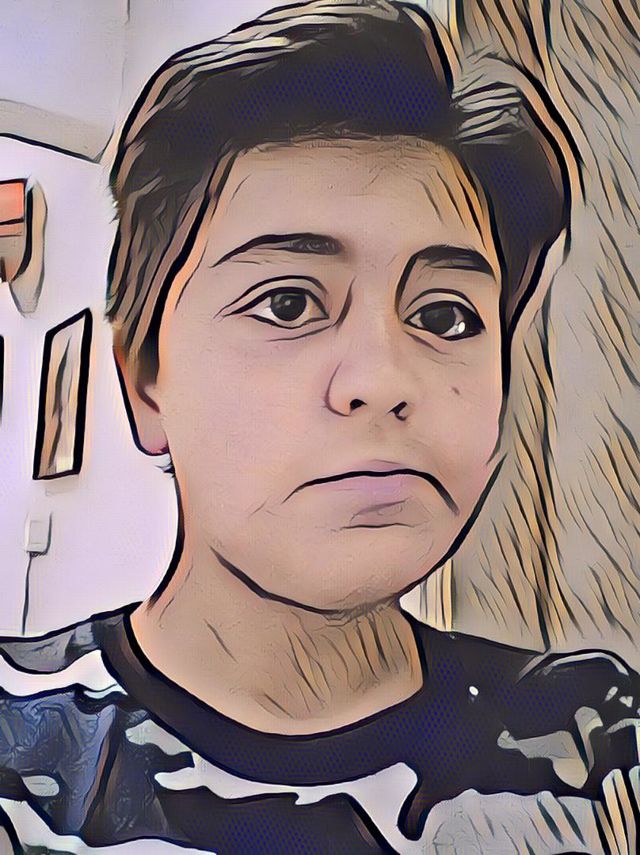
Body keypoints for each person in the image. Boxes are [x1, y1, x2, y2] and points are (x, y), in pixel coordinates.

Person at [0, 1, 638, 852]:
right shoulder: (22, 753)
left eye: (444, 316)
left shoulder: (598, 742)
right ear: (147, 382)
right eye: (289, 303)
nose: (382, 381)